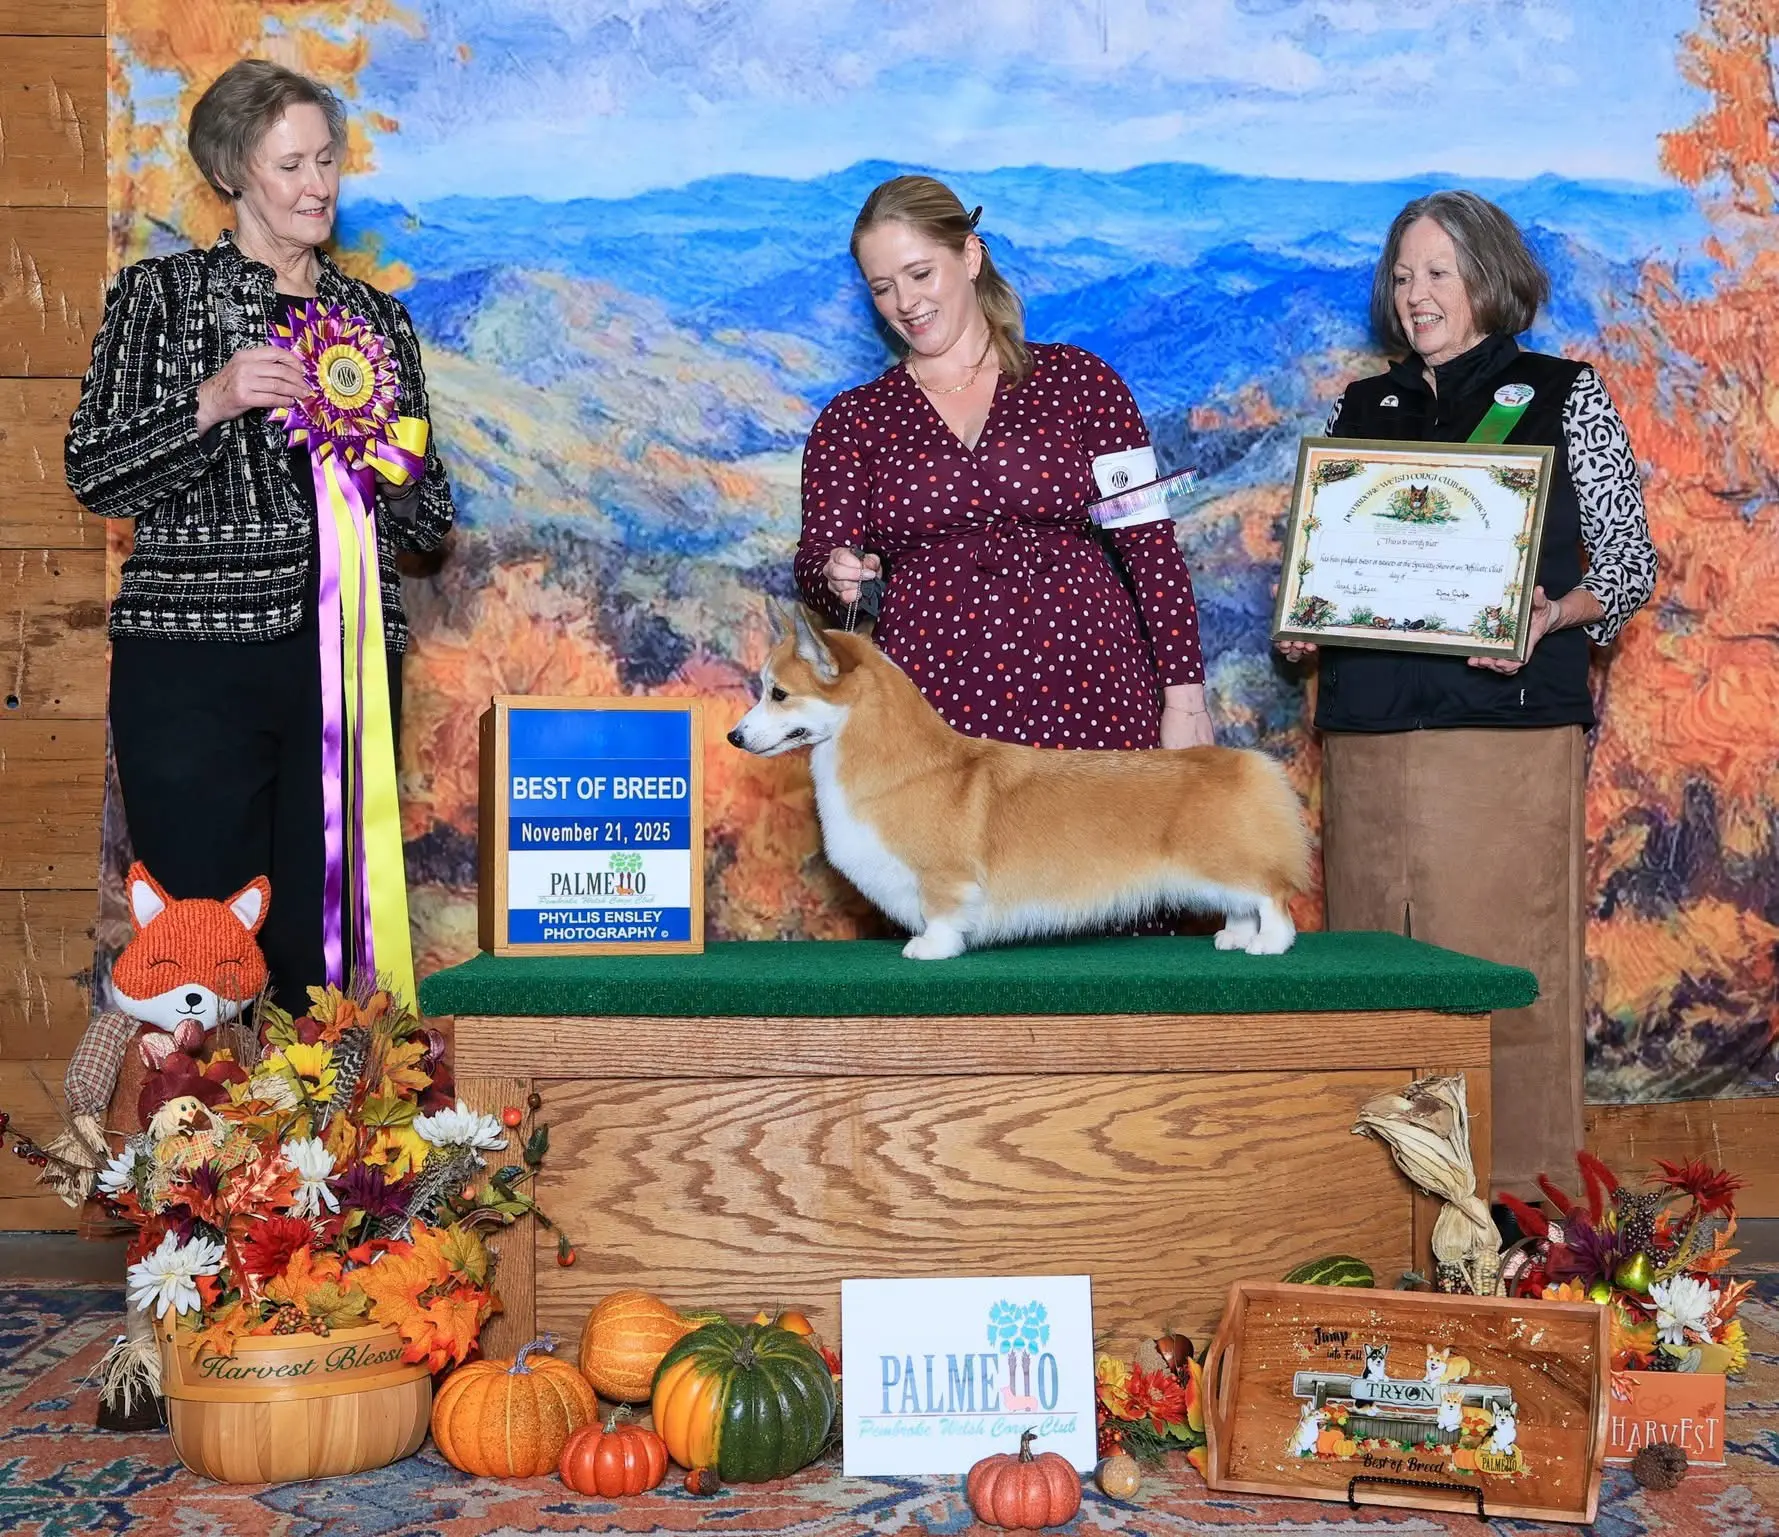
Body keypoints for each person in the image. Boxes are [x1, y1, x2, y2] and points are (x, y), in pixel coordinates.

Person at [1278, 191, 1657, 1198]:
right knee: (1375, 982)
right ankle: (1379, 1207)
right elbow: (1325, 562)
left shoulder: (1566, 395)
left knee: (1505, 970)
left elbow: (1628, 567)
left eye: (1437, 273)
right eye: (1402, 276)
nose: (1416, 294)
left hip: (1504, 739)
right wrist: (1303, 615)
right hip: (1366, 739)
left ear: (1489, 278)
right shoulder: (1361, 409)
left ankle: (1526, 1207)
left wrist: (1553, 612)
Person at [65, 60, 455, 1009]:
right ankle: (197, 1113)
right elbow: (96, 470)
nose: (318, 185)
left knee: (325, 948)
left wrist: (395, 472)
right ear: (230, 173)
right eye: (291, 166)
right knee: (201, 949)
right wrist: (211, 399)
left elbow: (431, 522)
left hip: (345, 668)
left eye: (327, 160)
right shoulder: (160, 297)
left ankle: (337, 1110)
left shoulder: (377, 321)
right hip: (194, 671)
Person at [794, 174, 1210, 753]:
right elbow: (816, 561)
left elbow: (1149, 545)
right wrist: (835, 572)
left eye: (920, 274)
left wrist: (1185, 701)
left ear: (970, 256)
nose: (905, 303)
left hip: (1094, 691)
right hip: (930, 713)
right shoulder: (853, 419)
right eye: (883, 287)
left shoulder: (1081, 382)